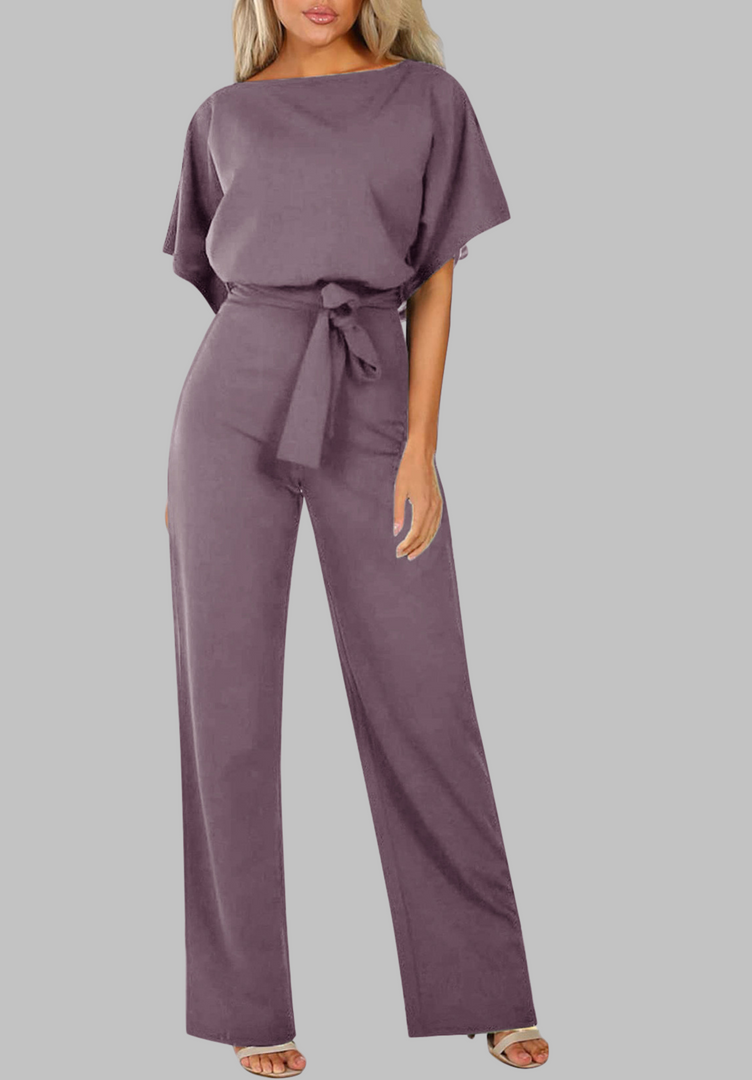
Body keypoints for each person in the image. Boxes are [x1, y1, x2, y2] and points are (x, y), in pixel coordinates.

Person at [162, 1, 550, 1074]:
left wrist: (421, 445)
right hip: (232, 402)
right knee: (225, 703)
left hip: (372, 387)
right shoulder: (221, 115)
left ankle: (487, 989)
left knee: (426, 693)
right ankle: (249, 1005)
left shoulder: (428, 98)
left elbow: (437, 277)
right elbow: (220, 281)